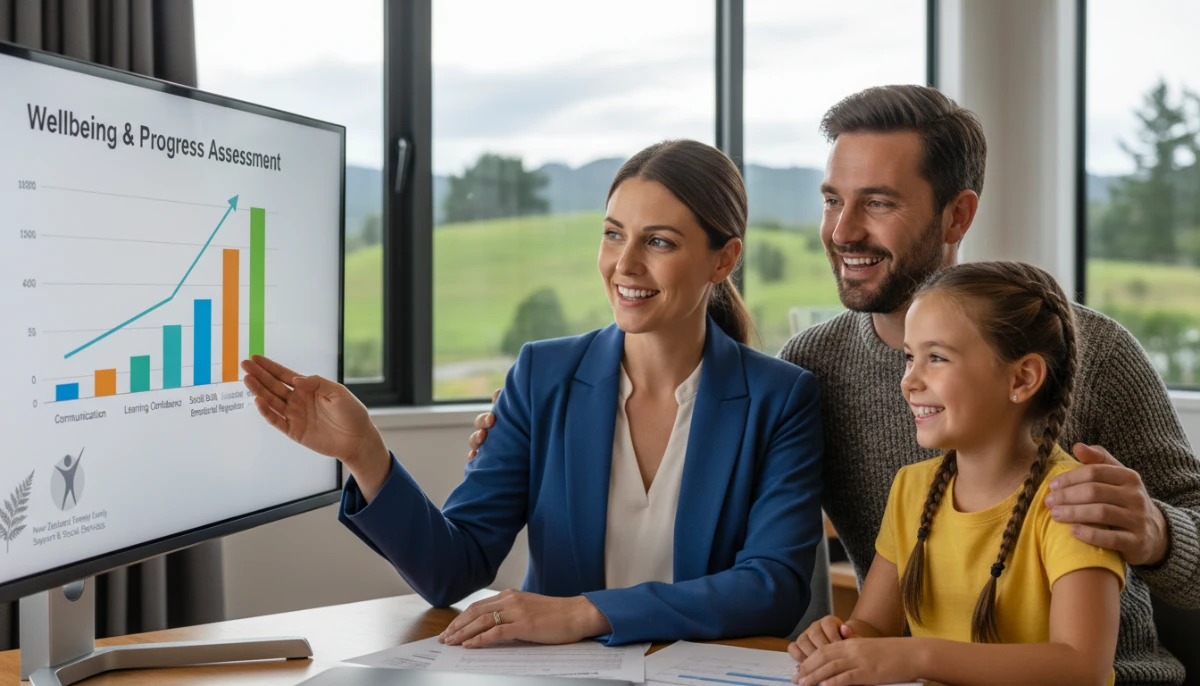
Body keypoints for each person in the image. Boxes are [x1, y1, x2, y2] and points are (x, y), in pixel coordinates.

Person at [471, 86, 1200, 683]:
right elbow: (742, 535)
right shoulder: (810, 366)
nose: (842, 230)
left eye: (878, 203)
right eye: (830, 200)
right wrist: (534, 442)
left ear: (959, 214)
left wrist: (1161, 534)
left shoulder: (1088, 348)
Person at [242, 139, 825, 648]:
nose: (624, 264)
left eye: (660, 243)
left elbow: (771, 588)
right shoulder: (542, 376)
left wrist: (584, 613)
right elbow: (454, 568)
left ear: (723, 259)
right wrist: (364, 452)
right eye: (613, 235)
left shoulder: (782, 398)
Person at [792, 261, 1124, 686]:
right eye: (909, 357)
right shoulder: (911, 488)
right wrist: (841, 641)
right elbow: (873, 627)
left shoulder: (1072, 501)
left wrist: (919, 656)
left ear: (1022, 377)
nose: (909, 381)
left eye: (936, 357)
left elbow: (1082, 667)